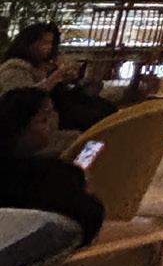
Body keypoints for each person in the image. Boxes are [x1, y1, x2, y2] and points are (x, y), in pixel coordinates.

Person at [0, 87, 105, 243]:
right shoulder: (43, 177)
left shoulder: (52, 170)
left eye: (52, 112)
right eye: (43, 119)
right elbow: (90, 214)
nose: (53, 121)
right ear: (18, 129)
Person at [0, 23, 115, 131]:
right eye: (45, 43)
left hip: (62, 108)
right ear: (30, 44)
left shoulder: (43, 65)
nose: (49, 47)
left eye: (51, 43)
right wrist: (57, 75)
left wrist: (69, 79)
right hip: (44, 117)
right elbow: (24, 101)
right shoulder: (15, 69)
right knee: (96, 116)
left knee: (106, 108)